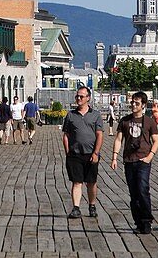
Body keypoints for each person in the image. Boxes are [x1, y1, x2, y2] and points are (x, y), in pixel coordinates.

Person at [110, 91, 158, 234]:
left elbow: (156, 141)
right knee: (134, 193)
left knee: (143, 189)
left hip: (144, 159)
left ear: (143, 105)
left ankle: (146, 220)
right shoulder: (125, 121)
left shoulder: (149, 121)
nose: (133, 105)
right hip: (129, 160)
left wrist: (150, 156)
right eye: (132, 102)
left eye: (136, 103)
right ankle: (138, 222)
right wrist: (114, 157)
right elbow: (119, 140)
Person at [62, 85, 104, 219]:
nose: (78, 98)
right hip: (75, 154)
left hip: (91, 154)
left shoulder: (96, 115)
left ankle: (92, 205)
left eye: (81, 96)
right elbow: (66, 135)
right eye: (77, 96)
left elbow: (99, 135)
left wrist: (96, 153)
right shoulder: (71, 115)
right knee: (76, 181)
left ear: (88, 98)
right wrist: (68, 152)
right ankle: (76, 208)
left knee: (91, 182)